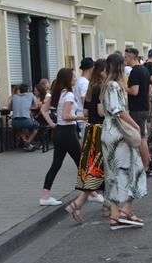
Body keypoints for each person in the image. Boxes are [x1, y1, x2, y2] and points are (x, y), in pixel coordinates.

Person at [100, 53, 147, 230]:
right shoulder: (115, 86)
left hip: (108, 131)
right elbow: (119, 111)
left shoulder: (105, 86)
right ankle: (126, 211)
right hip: (119, 133)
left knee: (113, 172)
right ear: (120, 67)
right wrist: (135, 126)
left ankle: (115, 214)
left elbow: (102, 110)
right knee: (133, 169)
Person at [66, 59, 107, 223]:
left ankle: (106, 205)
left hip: (90, 129)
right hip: (101, 130)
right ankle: (78, 204)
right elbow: (100, 111)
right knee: (100, 170)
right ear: (103, 70)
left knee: (97, 171)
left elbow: (85, 111)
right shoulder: (101, 88)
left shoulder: (90, 87)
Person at [40, 68, 87, 206]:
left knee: (56, 165)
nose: (75, 78)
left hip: (59, 132)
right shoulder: (69, 95)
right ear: (67, 79)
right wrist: (83, 117)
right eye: (73, 77)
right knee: (81, 163)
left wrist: (53, 124)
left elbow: (43, 110)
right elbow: (66, 116)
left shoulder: (57, 94)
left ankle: (45, 195)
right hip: (67, 132)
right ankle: (92, 192)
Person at [124, 48, 152, 175]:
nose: (125, 60)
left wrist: (123, 87)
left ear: (131, 58)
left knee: (141, 138)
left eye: (126, 57)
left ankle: (146, 167)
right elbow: (149, 90)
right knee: (143, 137)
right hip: (144, 106)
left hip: (137, 109)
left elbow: (134, 91)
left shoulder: (135, 72)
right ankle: (149, 162)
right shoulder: (144, 69)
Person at [10, 84, 39, 151]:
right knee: (37, 126)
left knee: (19, 128)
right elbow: (36, 106)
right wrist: (29, 107)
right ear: (28, 90)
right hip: (26, 120)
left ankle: (25, 141)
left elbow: (10, 107)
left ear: (19, 90)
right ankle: (28, 142)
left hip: (14, 122)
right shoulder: (31, 95)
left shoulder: (14, 96)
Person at [74, 58, 94, 139]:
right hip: (84, 117)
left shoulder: (79, 80)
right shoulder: (84, 83)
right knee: (87, 143)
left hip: (80, 116)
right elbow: (84, 100)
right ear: (90, 69)